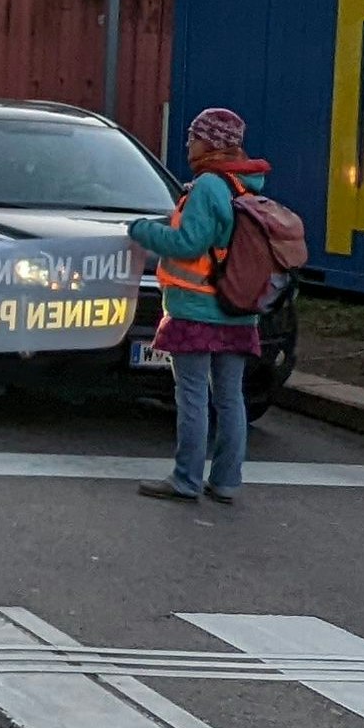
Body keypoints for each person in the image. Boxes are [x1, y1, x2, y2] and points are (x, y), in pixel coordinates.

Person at [128, 107, 273, 506]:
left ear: (210, 143)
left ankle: (186, 479)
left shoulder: (209, 185)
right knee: (230, 398)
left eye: (194, 136)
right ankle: (225, 482)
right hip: (238, 309)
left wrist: (141, 231)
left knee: (192, 396)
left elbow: (188, 244)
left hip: (196, 309)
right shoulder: (246, 185)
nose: (188, 143)